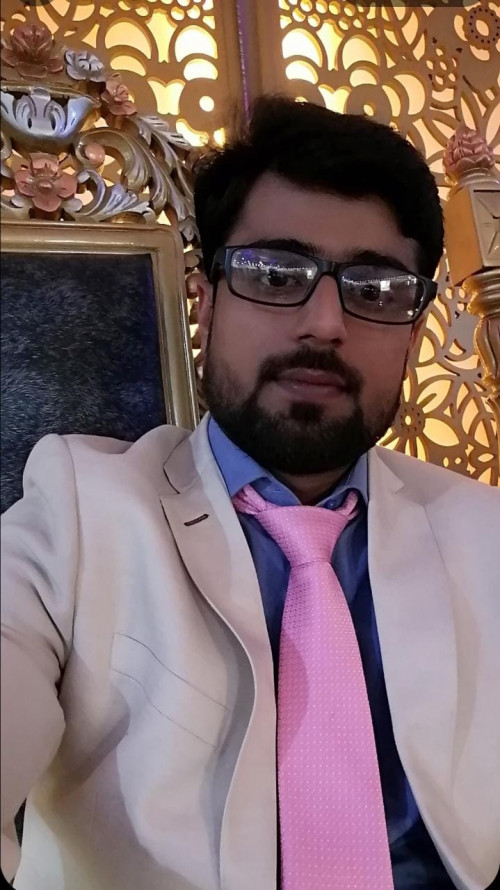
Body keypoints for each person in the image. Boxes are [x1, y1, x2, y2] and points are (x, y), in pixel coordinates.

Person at [1, 96, 499, 890]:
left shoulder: (483, 532)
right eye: (274, 275)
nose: (326, 323)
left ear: (413, 333)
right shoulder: (80, 513)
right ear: (205, 302)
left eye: (375, 289)